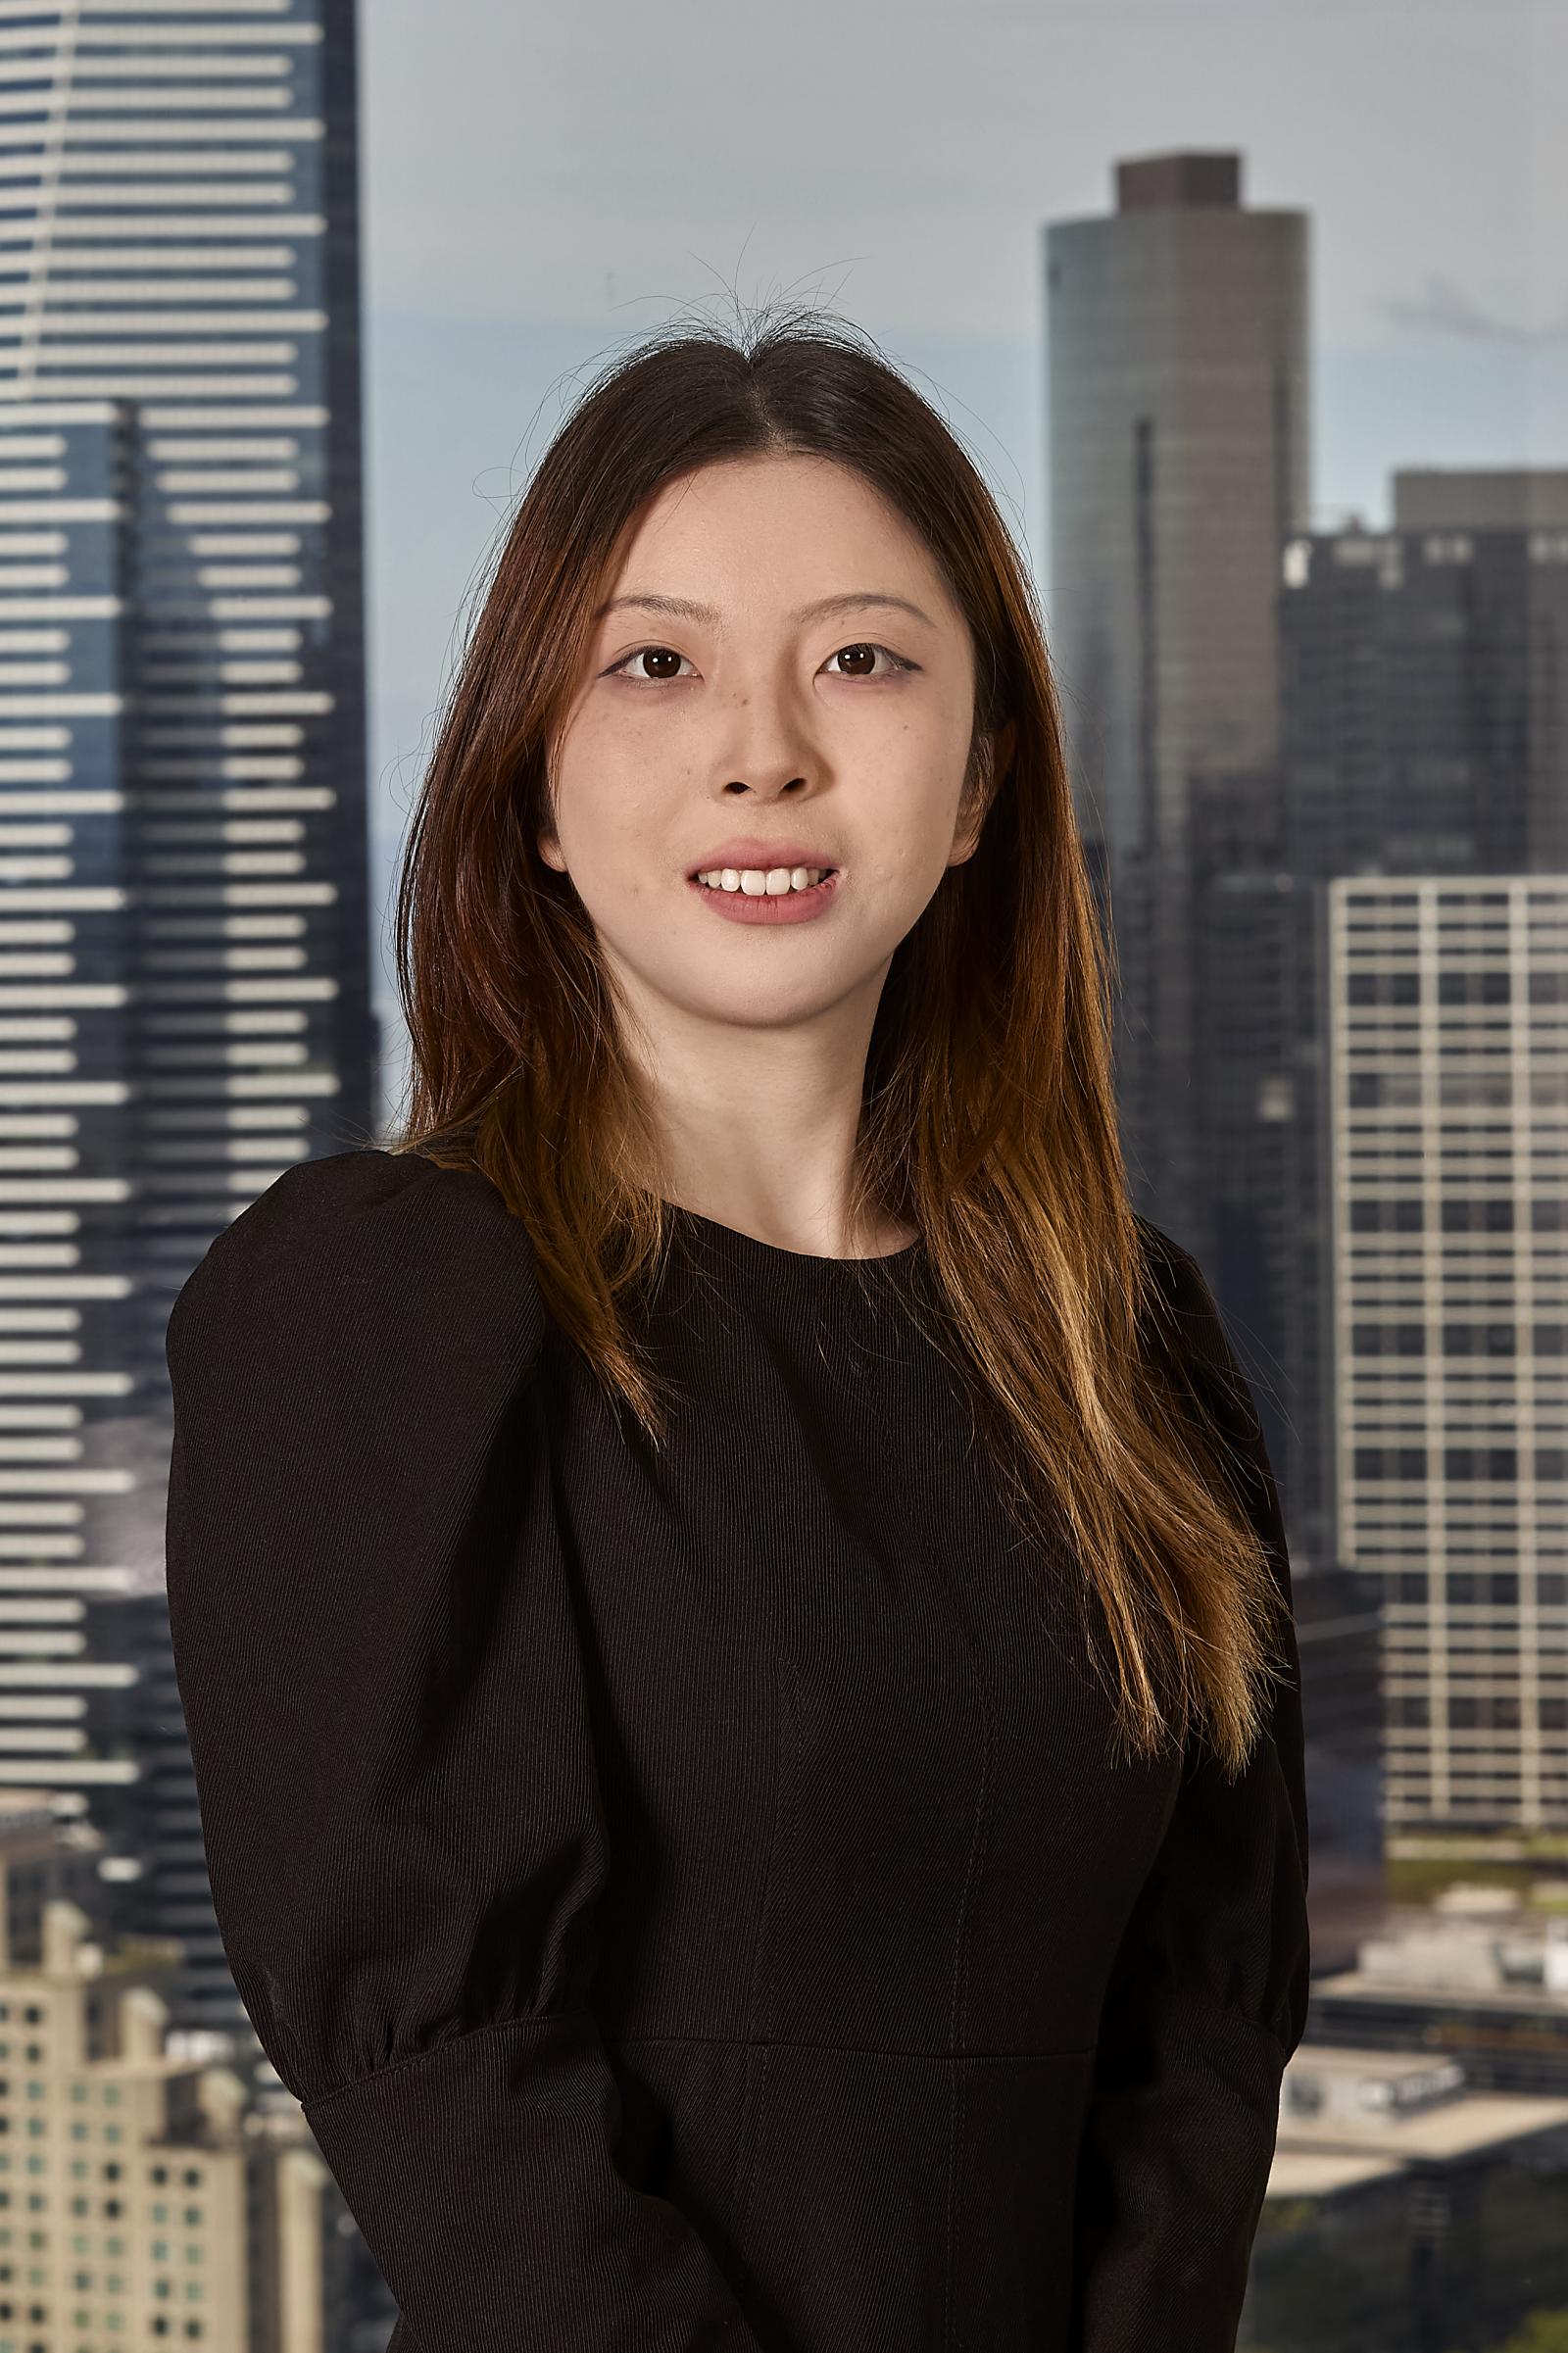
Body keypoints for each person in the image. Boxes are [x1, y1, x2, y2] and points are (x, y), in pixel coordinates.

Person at [163, 304, 1310, 2353]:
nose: (763, 747)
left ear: (979, 784)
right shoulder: (387, 1300)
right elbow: (447, 2073)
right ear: (532, 785)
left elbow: (1204, 2033)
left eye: (862, 660)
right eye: (655, 664)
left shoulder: (1124, 1339)